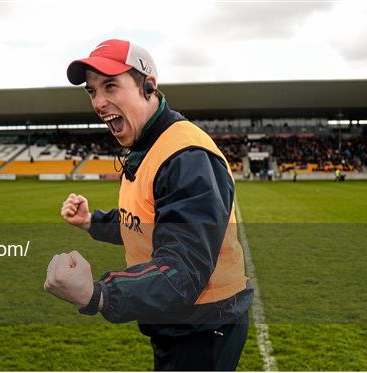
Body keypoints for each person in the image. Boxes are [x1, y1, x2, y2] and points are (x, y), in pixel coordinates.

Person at [44, 39, 253, 371]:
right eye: (92, 91)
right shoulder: (146, 146)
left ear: (148, 86)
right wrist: (91, 222)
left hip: (204, 326)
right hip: (180, 321)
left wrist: (99, 294)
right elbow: (144, 222)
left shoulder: (187, 156)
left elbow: (183, 271)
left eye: (110, 85)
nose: (98, 102)